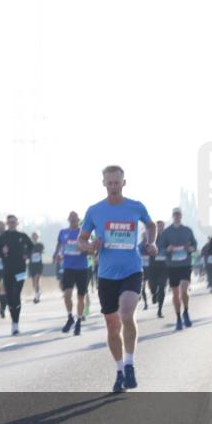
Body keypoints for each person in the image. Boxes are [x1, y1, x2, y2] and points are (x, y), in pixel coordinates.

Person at [80, 165, 156, 393]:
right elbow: (81, 240)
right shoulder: (95, 211)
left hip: (132, 270)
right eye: (109, 183)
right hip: (106, 275)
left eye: (117, 182)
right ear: (104, 183)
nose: (113, 187)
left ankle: (130, 363)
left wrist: (152, 241)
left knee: (126, 314)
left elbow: (151, 225)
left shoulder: (136, 207)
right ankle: (120, 370)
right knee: (112, 327)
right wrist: (91, 247)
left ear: (124, 183)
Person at [0, 214, 34, 335]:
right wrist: (1, 252)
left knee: (16, 295)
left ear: (17, 223)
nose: (11, 224)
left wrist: (27, 255)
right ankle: (13, 321)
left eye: (14, 222)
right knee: (10, 298)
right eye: (9, 222)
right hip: (7, 270)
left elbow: (31, 248)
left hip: (20, 270)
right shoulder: (3, 237)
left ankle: (15, 323)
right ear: (7, 224)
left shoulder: (22, 236)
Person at [157, 207, 198, 331]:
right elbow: (160, 247)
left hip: (185, 264)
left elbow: (194, 245)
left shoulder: (187, 230)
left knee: (184, 290)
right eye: (175, 215)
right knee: (175, 293)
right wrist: (167, 249)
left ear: (181, 216)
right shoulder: (167, 232)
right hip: (172, 265)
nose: (177, 217)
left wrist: (191, 248)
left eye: (178, 215)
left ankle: (186, 311)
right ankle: (178, 318)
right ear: (172, 216)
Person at [54, 211, 90, 335]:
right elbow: (59, 246)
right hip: (68, 267)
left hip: (82, 268)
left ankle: (79, 321)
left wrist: (84, 248)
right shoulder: (63, 232)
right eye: (71, 218)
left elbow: (90, 249)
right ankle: (70, 317)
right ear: (68, 219)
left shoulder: (83, 233)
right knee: (67, 295)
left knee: (81, 297)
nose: (73, 220)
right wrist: (57, 254)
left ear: (78, 219)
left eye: (75, 218)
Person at [146, 220, 168, 318]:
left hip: (164, 266)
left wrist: (169, 250)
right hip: (152, 266)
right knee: (152, 286)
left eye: (162, 226)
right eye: (158, 226)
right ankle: (154, 294)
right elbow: (145, 247)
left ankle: (160, 310)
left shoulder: (167, 237)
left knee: (162, 287)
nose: (160, 228)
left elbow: (171, 246)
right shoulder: (151, 237)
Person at [29, 232, 45, 303]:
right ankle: (37, 293)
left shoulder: (40, 245)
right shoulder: (29, 245)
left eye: (35, 236)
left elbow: (41, 251)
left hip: (38, 264)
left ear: (37, 237)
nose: (34, 237)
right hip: (32, 265)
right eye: (33, 236)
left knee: (37, 280)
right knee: (33, 282)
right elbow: (26, 253)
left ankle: (36, 296)